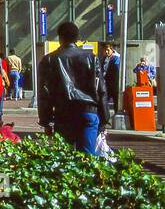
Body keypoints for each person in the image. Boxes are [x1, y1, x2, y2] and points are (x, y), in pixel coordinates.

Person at [38, 21, 106, 156]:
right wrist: (104, 119)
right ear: (77, 38)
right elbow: (101, 89)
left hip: (63, 112)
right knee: (88, 158)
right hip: (89, 110)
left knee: (65, 157)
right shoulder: (91, 58)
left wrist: (45, 121)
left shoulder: (50, 59)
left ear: (60, 37)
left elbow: (44, 92)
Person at [99, 43, 121, 122]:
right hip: (106, 83)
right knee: (104, 101)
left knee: (116, 102)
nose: (106, 52)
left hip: (114, 84)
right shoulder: (105, 58)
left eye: (108, 50)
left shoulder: (116, 58)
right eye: (105, 50)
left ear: (112, 49)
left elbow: (116, 72)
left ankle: (114, 117)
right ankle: (105, 118)